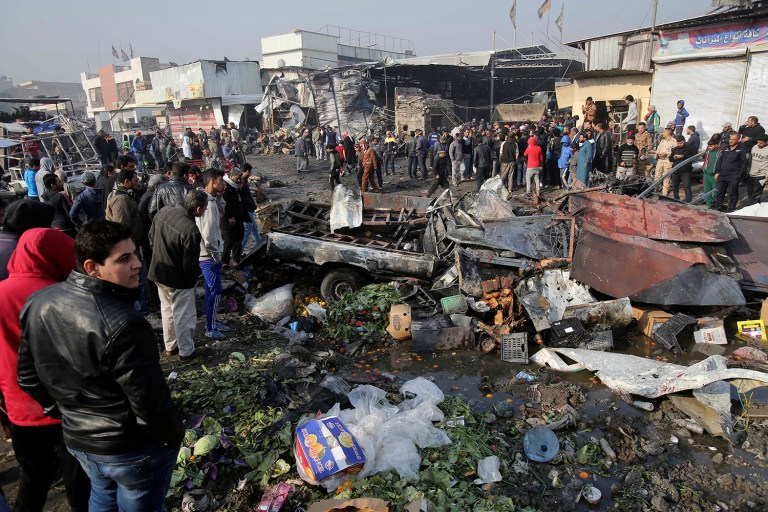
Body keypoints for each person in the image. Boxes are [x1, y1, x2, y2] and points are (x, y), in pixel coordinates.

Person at [17, 220, 184, 511]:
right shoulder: (124, 323)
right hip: (127, 449)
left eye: (134, 254)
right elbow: (149, 402)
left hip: (79, 441)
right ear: (92, 267)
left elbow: (29, 378)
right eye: (124, 259)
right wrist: (172, 438)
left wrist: (67, 414)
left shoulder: (39, 302)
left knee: (102, 497)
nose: (138, 264)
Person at [0, 228, 90, 512]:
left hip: (19, 405)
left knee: (33, 477)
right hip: (68, 405)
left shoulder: (1, 294)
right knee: (79, 477)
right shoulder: (62, 296)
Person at [149, 190, 206, 360]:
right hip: (178, 279)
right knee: (184, 315)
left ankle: (170, 346)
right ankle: (186, 351)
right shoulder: (191, 230)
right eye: (205, 208)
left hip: (159, 271)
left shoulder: (164, 211)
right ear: (197, 209)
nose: (205, 211)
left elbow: (150, 238)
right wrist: (196, 276)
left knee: (167, 310)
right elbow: (189, 266)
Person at [196, 169, 228, 340]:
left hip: (209, 253)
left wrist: (221, 196)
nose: (224, 183)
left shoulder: (212, 200)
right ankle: (210, 327)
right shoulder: (207, 204)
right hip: (208, 255)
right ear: (212, 182)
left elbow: (221, 215)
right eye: (221, 180)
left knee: (211, 290)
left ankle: (213, 320)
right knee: (215, 290)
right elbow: (207, 236)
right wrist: (217, 257)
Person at [713, 133, 749, 212]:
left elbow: (745, 163)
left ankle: (731, 209)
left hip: (734, 175)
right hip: (722, 174)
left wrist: (739, 175)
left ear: (738, 140)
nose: (731, 141)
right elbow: (719, 161)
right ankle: (718, 207)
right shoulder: (725, 148)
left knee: (732, 193)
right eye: (730, 139)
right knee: (720, 192)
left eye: (733, 139)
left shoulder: (743, 149)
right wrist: (717, 172)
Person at [221, 167, 246, 265]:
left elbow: (241, 198)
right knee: (228, 241)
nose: (239, 179)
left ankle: (236, 259)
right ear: (231, 176)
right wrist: (230, 217)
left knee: (239, 237)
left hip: (238, 216)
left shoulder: (236, 186)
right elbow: (225, 204)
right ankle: (225, 262)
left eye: (240, 176)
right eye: (238, 177)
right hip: (228, 219)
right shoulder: (226, 187)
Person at [240, 163, 261, 252]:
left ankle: (260, 246)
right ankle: (239, 251)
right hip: (247, 210)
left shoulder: (243, 181)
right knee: (247, 231)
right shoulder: (242, 183)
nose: (251, 173)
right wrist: (253, 205)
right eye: (250, 171)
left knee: (255, 229)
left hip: (248, 209)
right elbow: (245, 198)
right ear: (247, 171)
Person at [746, 134, 768, 204]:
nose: (759, 144)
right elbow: (750, 159)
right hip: (751, 173)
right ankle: (751, 205)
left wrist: (767, 176)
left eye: (761, 143)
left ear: (766, 142)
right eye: (758, 142)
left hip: (761, 174)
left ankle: (754, 207)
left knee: (756, 193)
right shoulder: (754, 147)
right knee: (750, 191)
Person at [654, 128, 677, 195]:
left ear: (668, 133)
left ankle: (665, 192)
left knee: (666, 176)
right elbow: (658, 149)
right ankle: (655, 189)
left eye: (664, 132)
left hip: (668, 161)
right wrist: (657, 154)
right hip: (660, 160)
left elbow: (675, 151)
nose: (663, 133)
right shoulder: (662, 141)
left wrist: (667, 153)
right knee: (657, 175)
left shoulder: (674, 141)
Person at [701, 137, 722, 207]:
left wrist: (717, 172)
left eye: (711, 146)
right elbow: (705, 160)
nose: (709, 147)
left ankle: (716, 204)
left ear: (716, 145)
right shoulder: (708, 152)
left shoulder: (719, 152)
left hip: (714, 174)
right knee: (707, 190)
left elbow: (720, 163)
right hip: (706, 174)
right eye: (708, 146)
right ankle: (708, 204)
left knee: (715, 191)